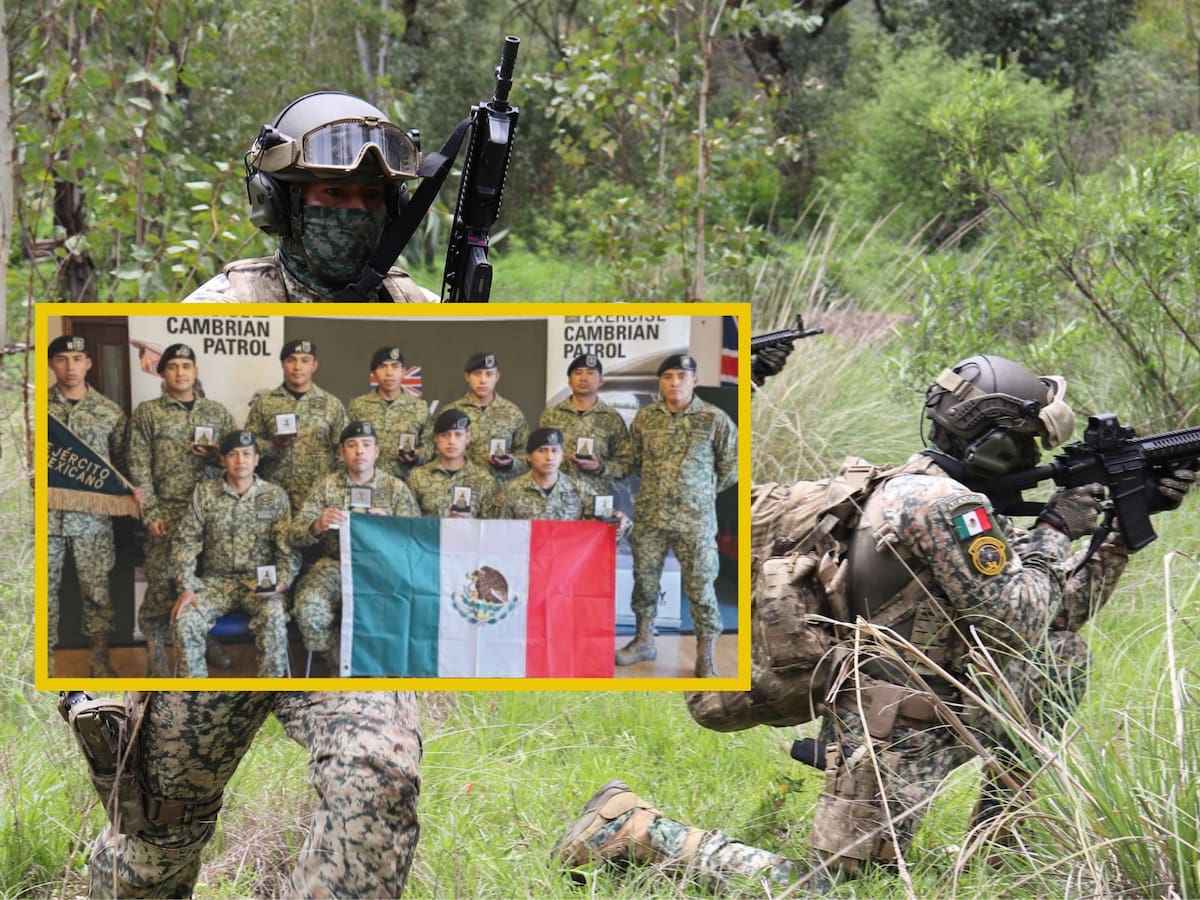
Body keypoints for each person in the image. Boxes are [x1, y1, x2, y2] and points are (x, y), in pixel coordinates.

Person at [554, 354, 1195, 890]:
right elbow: (1015, 616)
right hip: (889, 728)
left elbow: (1054, 615)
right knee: (835, 892)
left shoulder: (942, 493)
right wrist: (1058, 528)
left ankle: (1002, 853)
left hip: (938, 705)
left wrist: (1114, 538)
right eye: (1028, 441)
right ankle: (633, 829)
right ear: (996, 444)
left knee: (1060, 658)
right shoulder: (938, 506)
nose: (1034, 454)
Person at [182, 91, 437, 302]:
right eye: (334, 192)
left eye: (371, 194)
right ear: (278, 204)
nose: (358, 209)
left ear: (393, 208)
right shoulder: (221, 315)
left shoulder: (422, 310)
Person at [617, 354, 738, 678]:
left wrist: (696, 491)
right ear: (661, 382)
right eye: (668, 377)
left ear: (694, 380)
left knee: (701, 587)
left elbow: (730, 470)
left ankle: (706, 653)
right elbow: (634, 460)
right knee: (644, 582)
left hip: (694, 522)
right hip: (651, 518)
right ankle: (644, 640)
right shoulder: (646, 419)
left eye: (682, 376)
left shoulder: (715, 420)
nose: (675, 383)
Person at [127, 343, 237, 675]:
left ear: (196, 371)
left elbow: (239, 459)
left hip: (210, 516)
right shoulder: (148, 413)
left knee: (202, 585)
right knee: (161, 586)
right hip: (168, 513)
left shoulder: (216, 412)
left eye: (186, 366)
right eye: (172, 366)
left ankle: (206, 641)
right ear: (162, 373)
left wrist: (216, 454)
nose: (180, 372)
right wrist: (151, 513)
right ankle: (157, 657)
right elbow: (138, 467)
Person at [292, 421, 420, 673]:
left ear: (377, 451)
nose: (359, 451)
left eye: (366, 445)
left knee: (399, 614)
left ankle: (379, 672)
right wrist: (318, 524)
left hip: (383, 570)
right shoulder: (326, 486)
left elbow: (414, 542)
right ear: (342, 452)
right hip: (335, 566)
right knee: (309, 611)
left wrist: (390, 527)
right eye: (352, 445)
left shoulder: (395, 489)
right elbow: (294, 534)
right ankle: (341, 663)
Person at [170, 430, 298, 678]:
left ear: (257, 459)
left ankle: (270, 697)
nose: (240, 460)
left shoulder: (274, 496)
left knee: (273, 616)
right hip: (216, 582)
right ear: (222, 460)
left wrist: (282, 582)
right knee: (186, 620)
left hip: (260, 582)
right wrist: (186, 586)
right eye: (233, 454)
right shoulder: (204, 494)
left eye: (247, 454)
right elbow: (185, 542)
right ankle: (196, 700)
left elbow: (287, 548)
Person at [47, 335, 136, 677]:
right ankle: (47, 662)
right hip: (47, 517)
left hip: (94, 522)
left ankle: (99, 658)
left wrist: (134, 491)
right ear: (52, 364)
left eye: (77, 359)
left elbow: (124, 463)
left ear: (89, 364)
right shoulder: (39, 409)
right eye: (62, 359)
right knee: (45, 593)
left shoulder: (108, 412)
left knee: (97, 590)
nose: (70, 367)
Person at [245, 339, 349, 512]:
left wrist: (338, 490)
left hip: (318, 495)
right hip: (273, 494)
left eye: (305, 360)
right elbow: (248, 445)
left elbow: (343, 451)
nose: (297, 367)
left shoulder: (331, 404)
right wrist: (274, 445)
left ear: (314, 365)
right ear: (283, 364)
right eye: (291, 360)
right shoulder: (265, 403)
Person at [487, 428, 624, 528]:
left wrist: (617, 521)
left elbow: (612, 529)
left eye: (555, 450)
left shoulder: (581, 491)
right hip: (526, 562)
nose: (549, 457)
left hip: (566, 563)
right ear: (529, 456)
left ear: (562, 455)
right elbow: (498, 534)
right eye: (542, 450)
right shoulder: (510, 492)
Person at [539, 353, 633, 498]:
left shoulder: (612, 419)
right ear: (569, 381)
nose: (583, 378)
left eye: (590, 373)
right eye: (577, 373)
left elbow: (626, 465)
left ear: (601, 380)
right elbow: (538, 456)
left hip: (595, 500)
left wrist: (599, 467)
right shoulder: (551, 415)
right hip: (557, 499)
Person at [346, 346, 432, 481]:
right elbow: (346, 446)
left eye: (395, 366)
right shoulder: (358, 406)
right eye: (382, 367)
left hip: (406, 486)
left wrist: (417, 455)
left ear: (403, 371)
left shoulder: (419, 407)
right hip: (367, 484)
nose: (389, 373)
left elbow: (430, 446)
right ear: (374, 373)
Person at [449, 351, 530, 486]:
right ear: (467, 376)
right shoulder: (452, 412)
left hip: (502, 490)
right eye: (477, 373)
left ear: (497, 376)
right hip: (463, 489)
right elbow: (438, 453)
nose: (483, 380)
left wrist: (511, 463)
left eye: (489, 374)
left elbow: (527, 456)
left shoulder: (512, 412)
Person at [407, 407, 495, 518]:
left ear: (468, 438)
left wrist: (470, 524)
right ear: (435, 438)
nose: (451, 441)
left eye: (458, 434)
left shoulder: (484, 481)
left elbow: (490, 529)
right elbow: (410, 526)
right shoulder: (417, 477)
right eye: (445, 435)